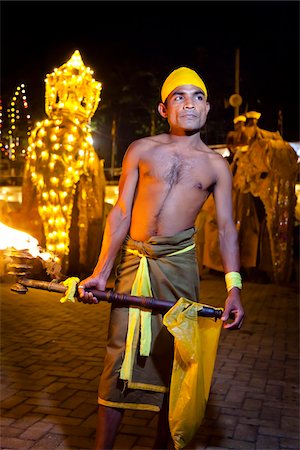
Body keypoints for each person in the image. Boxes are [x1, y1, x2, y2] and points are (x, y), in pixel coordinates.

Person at [78, 66, 245, 450]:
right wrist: (101, 273)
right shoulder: (141, 149)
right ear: (163, 108)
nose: (190, 103)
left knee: (177, 361)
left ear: (208, 110)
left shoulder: (216, 165)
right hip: (134, 264)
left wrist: (233, 289)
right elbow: (120, 212)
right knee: (117, 357)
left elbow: (226, 228)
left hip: (179, 269)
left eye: (198, 97)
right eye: (179, 97)